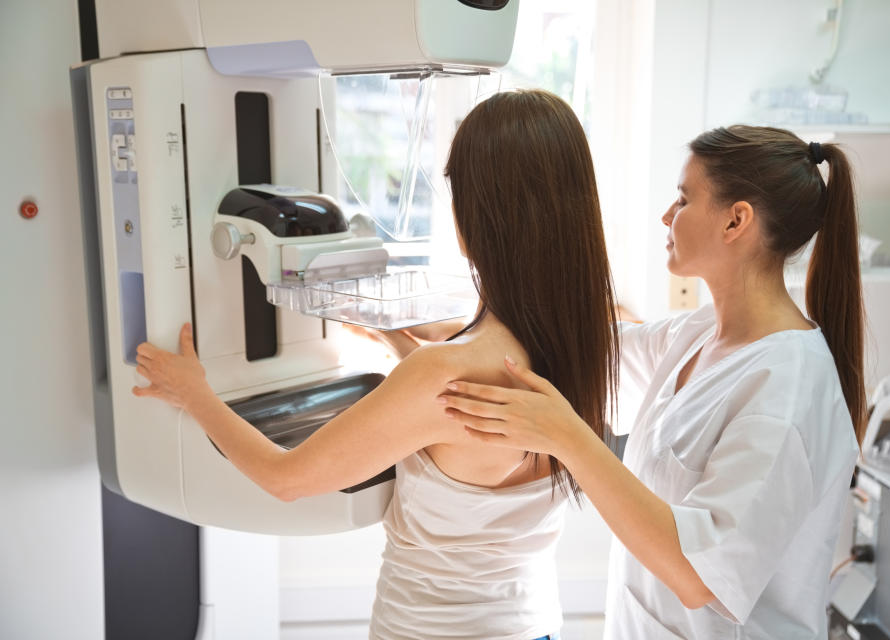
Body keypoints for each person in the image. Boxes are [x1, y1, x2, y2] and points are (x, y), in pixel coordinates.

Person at [130, 89, 619, 640]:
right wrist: (394, 338)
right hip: (534, 626)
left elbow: (286, 479)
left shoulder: (442, 374)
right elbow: (469, 421)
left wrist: (196, 393)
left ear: (474, 221)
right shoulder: (585, 343)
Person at [438, 125, 864, 639]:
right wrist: (426, 336)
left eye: (683, 199)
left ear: (736, 220)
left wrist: (568, 436)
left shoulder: (787, 390)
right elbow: (589, 355)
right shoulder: (701, 333)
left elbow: (699, 576)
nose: (667, 215)